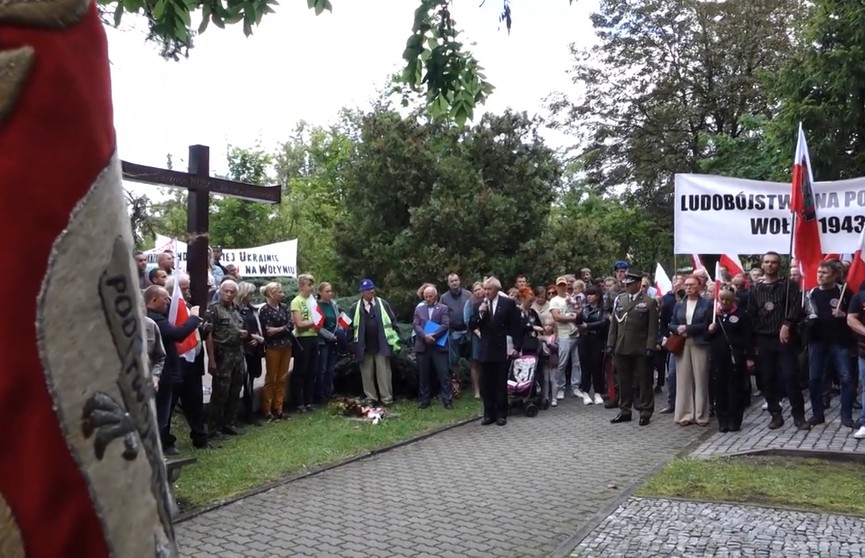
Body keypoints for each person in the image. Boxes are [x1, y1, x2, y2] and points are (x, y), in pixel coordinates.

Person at [747, 252, 810, 431]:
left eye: (774, 262)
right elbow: (751, 314)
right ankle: (775, 413)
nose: (770, 265)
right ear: (762, 264)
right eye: (767, 262)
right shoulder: (755, 289)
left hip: (784, 338)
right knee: (767, 378)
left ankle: (799, 416)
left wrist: (787, 324)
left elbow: (795, 306)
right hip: (763, 338)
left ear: (778, 265)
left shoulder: (788, 285)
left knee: (790, 376)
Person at [607, 271, 658, 426]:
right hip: (622, 346)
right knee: (623, 381)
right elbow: (614, 325)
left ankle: (645, 411)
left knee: (644, 381)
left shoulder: (649, 302)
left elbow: (653, 328)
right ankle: (625, 410)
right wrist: (610, 343)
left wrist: (650, 346)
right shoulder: (620, 300)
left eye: (630, 284)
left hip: (640, 347)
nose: (627, 286)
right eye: (626, 284)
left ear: (638, 284)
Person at [469, 276, 521, 426]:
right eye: (484, 289)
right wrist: (480, 313)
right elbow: (471, 325)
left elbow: (515, 326)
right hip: (485, 348)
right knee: (486, 383)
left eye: (489, 289)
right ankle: (488, 414)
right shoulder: (479, 304)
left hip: (502, 348)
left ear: (496, 290)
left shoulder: (508, 303)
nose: (486, 292)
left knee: (500, 383)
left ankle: (501, 414)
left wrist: (516, 347)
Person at [707, 286, 754, 432]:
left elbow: (748, 338)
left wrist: (750, 358)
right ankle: (723, 420)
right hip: (718, 358)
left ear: (733, 300)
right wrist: (710, 330)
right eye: (722, 299)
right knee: (720, 390)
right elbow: (705, 337)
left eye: (728, 299)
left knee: (735, 389)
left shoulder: (741, 315)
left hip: (735, 358)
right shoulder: (713, 315)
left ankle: (735, 420)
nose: (724, 302)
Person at [668, 275, 713, 427]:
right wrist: (677, 329)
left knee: (700, 379)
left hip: (699, 343)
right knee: (683, 379)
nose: (688, 287)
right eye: (686, 285)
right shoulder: (679, 304)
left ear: (699, 286)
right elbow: (672, 323)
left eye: (692, 285)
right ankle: (684, 414)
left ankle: (701, 415)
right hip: (682, 343)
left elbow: (706, 324)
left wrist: (688, 329)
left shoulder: (707, 304)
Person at [205, 280, 248, 436]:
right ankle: (213, 427)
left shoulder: (237, 310)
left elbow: (239, 327)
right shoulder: (214, 310)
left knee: (236, 389)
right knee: (220, 392)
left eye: (232, 292)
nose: (229, 294)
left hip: (238, 352)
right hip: (222, 354)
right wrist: (211, 359)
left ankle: (229, 423)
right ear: (221, 291)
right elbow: (208, 335)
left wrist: (244, 334)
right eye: (226, 291)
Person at [347, 279, 400, 406]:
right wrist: (352, 346)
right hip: (363, 346)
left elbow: (392, 322)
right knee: (366, 373)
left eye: (372, 289)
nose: (371, 292)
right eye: (367, 290)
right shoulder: (355, 307)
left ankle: (386, 398)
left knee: (384, 373)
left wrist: (395, 340)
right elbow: (350, 328)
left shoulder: (383, 304)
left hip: (381, 344)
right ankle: (371, 398)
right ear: (362, 292)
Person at [259, 282, 294, 420]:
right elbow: (267, 331)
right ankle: (267, 409)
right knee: (271, 378)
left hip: (286, 345)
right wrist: (283, 328)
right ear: (272, 294)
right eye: (280, 292)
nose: (283, 294)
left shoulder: (284, 307)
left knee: (282, 377)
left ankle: (279, 408)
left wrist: (278, 329)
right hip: (273, 347)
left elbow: (291, 325)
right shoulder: (265, 310)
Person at [413, 286, 452, 409]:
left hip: (438, 345)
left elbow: (445, 325)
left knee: (444, 374)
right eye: (426, 297)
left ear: (436, 296)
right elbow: (416, 325)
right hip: (423, 345)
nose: (428, 299)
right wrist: (424, 336)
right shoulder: (419, 309)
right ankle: (425, 400)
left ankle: (447, 400)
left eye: (430, 296)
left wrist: (432, 335)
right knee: (423, 374)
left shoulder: (443, 308)